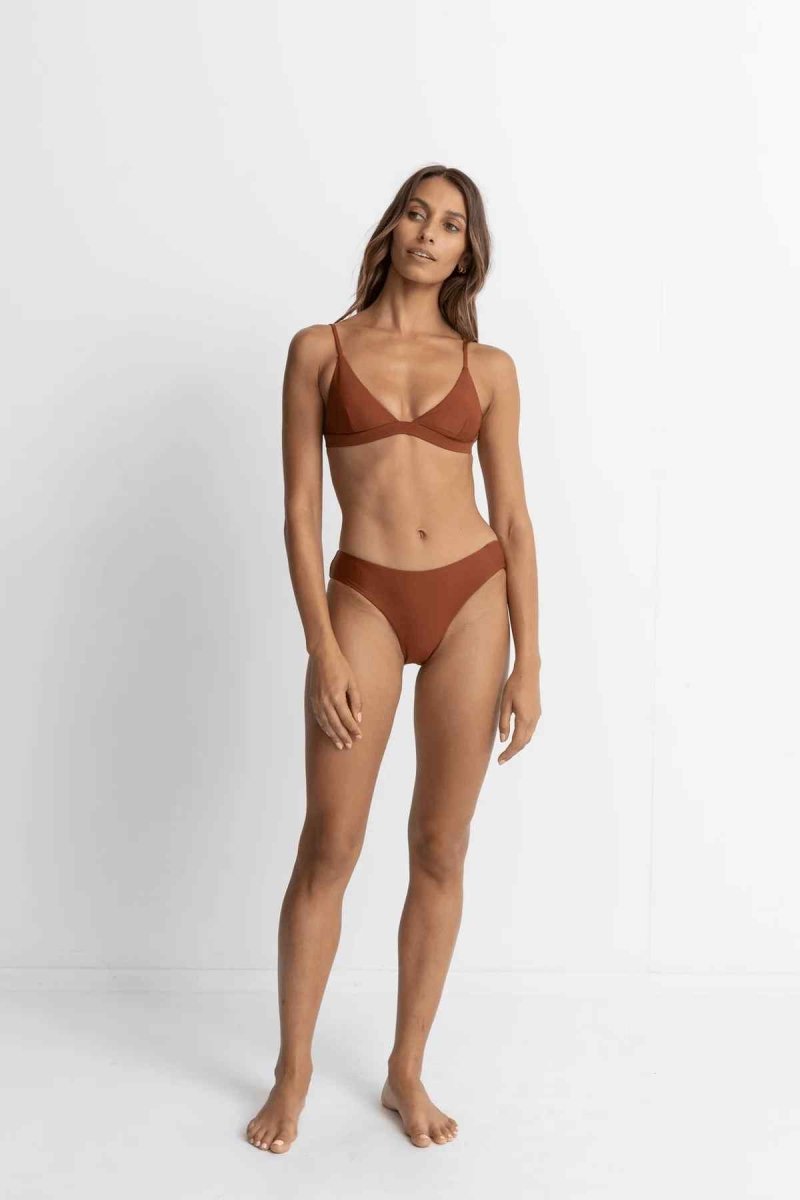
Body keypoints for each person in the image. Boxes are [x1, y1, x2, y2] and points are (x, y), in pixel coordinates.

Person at [247, 164, 542, 1154]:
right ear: (391, 228)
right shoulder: (319, 350)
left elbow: (513, 518)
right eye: (416, 212)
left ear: (466, 252)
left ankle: (404, 1069)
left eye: (450, 224)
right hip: (365, 597)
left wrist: (529, 660)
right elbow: (299, 513)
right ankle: (291, 1072)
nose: (428, 232)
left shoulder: (489, 368)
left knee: (440, 847)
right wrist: (321, 643)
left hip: (472, 599)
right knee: (330, 845)